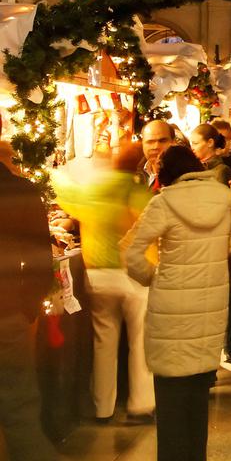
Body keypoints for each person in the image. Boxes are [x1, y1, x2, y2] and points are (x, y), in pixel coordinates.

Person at [123, 146, 231, 461]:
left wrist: (154, 277)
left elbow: (131, 252)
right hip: (210, 309)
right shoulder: (224, 198)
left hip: (171, 312)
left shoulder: (164, 203)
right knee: (198, 404)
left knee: (171, 406)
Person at [51, 143, 156, 422]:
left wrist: (60, 173)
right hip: (133, 276)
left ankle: (102, 407)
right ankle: (141, 405)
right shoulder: (137, 192)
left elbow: (65, 193)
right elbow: (150, 227)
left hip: (98, 274)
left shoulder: (92, 189)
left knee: (103, 342)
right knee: (140, 341)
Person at [0, 133, 59, 460]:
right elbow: (40, 257)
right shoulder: (21, 191)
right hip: (7, 313)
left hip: (9, 311)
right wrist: (28, 306)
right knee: (18, 404)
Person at [191, 122, 231, 370]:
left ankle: (230, 346)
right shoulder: (196, 169)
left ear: (210, 143)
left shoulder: (221, 170)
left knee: (224, 298)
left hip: (219, 243)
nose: (193, 148)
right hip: (206, 243)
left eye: (196, 143)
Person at [141, 119, 176, 189]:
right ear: (142, 144)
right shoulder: (132, 172)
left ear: (173, 142)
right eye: (150, 142)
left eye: (162, 141)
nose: (156, 147)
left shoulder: (184, 175)